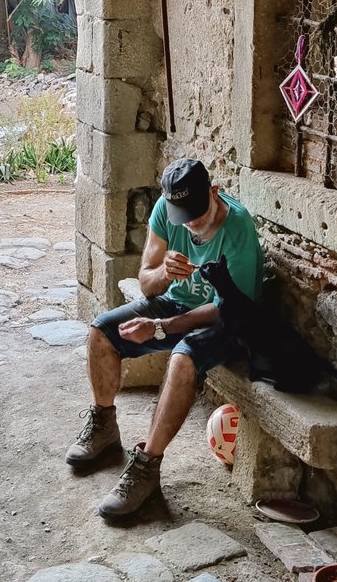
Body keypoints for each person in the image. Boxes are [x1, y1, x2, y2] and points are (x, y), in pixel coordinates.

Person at [66, 157, 263, 519]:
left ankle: (147, 466)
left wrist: (159, 328)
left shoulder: (238, 227)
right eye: (182, 215)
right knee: (101, 332)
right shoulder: (166, 210)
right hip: (175, 303)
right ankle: (104, 425)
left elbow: (229, 309)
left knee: (182, 358)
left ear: (215, 194)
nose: (190, 224)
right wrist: (165, 273)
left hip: (228, 318)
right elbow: (145, 280)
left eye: (198, 215)